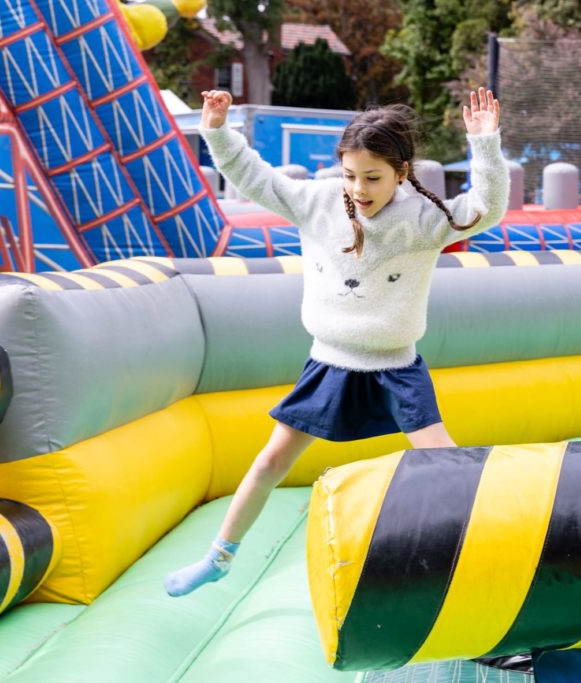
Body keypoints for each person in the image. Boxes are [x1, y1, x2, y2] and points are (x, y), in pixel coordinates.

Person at [164, 87, 508, 597]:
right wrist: (216, 129)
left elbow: (487, 208)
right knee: (270, 462)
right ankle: (219, 557)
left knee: (447, 464)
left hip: (396, 367)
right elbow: (254, 177)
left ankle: (493, 562)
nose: (360, 189)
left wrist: (485, 145)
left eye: (373, 178)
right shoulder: (319, 202)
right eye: (350, 175)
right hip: (329, 364)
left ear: (402, 171)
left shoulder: (421, 219)